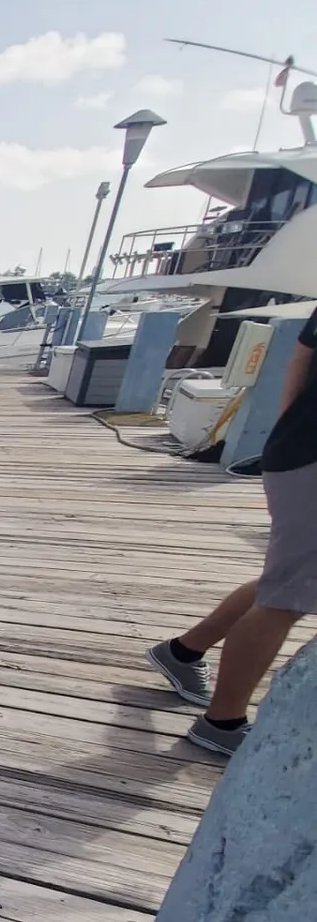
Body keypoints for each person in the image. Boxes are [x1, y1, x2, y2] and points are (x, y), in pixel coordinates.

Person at [146, 305, 317, 756]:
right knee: (287, 596)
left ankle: (183, 652)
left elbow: (302, 354)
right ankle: (222, 722)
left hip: (300, 451)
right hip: (309, 461)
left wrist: (290, 435)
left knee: (286, 581)